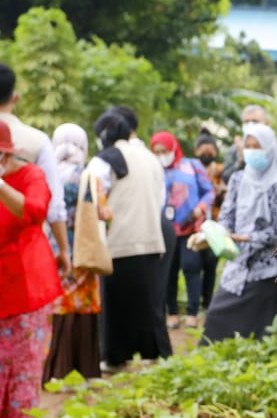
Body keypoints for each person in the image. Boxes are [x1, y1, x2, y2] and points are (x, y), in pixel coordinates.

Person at [88, 110, 171, 370]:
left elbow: (93, 199)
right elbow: (161, 198)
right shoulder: (150, 157)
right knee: (149, 301)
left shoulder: (106, 159)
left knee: (117, 304)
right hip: (150, 237)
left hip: (119, 241)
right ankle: (154, 353)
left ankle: (115, 357)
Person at [199, 122, 277, 343]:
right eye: (248, 146)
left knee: (263, 330)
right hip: (237, 263)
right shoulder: (238, 179)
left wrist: (249, 237)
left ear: (270, 149)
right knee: (217, 317)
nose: (252, 151)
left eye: (257, 146)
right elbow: (226, 214)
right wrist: (219, 232)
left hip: (266, 268)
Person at [0, 119, 60, 418]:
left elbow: (35, 212)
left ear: (6, 156)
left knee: (23, 371)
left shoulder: (31, 177)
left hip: (26, 291)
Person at [42, 123, 103, 382]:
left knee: (58, 307)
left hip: (52, 251)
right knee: (83, 308)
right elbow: (103, 212)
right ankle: (86, 370)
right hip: (83, 251)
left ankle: (56, 370)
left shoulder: (47, 174)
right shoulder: (88, 177)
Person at [0, 64, 70, 281]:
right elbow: (54, 205)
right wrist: (64, 249)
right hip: (22, 258)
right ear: (15, 97)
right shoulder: (37, 141)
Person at [151, 131, 214, 329]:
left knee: (191, 267)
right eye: (157, 151)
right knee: (168, 271)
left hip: (190, 228)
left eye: (165, 150)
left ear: (173, 148)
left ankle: (192, 312)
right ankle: (172, 312)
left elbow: (209, 191)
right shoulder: (153, 169)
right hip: (164, 230)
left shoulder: (192, 166)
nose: (162, 155)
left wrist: (200, 209)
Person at [193, 132, 226, 310]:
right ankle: (195, 300)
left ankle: (207, 301)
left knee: (210, 264)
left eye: (210, 151)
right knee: (195, 263)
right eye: (203, 151)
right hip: (195, 225)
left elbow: (227, 196)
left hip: (215, 223)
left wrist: (221, 190)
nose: (206, 155)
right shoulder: (192, 169)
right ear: (196, 151)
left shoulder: (221, 170)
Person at [221, 104, 272, 187]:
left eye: (255, 121)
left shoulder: (274, 148)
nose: (250, 124)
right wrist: (241, 161)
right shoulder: (235, 149)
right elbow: (226, 178)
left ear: (266, 123)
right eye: (247, 122)